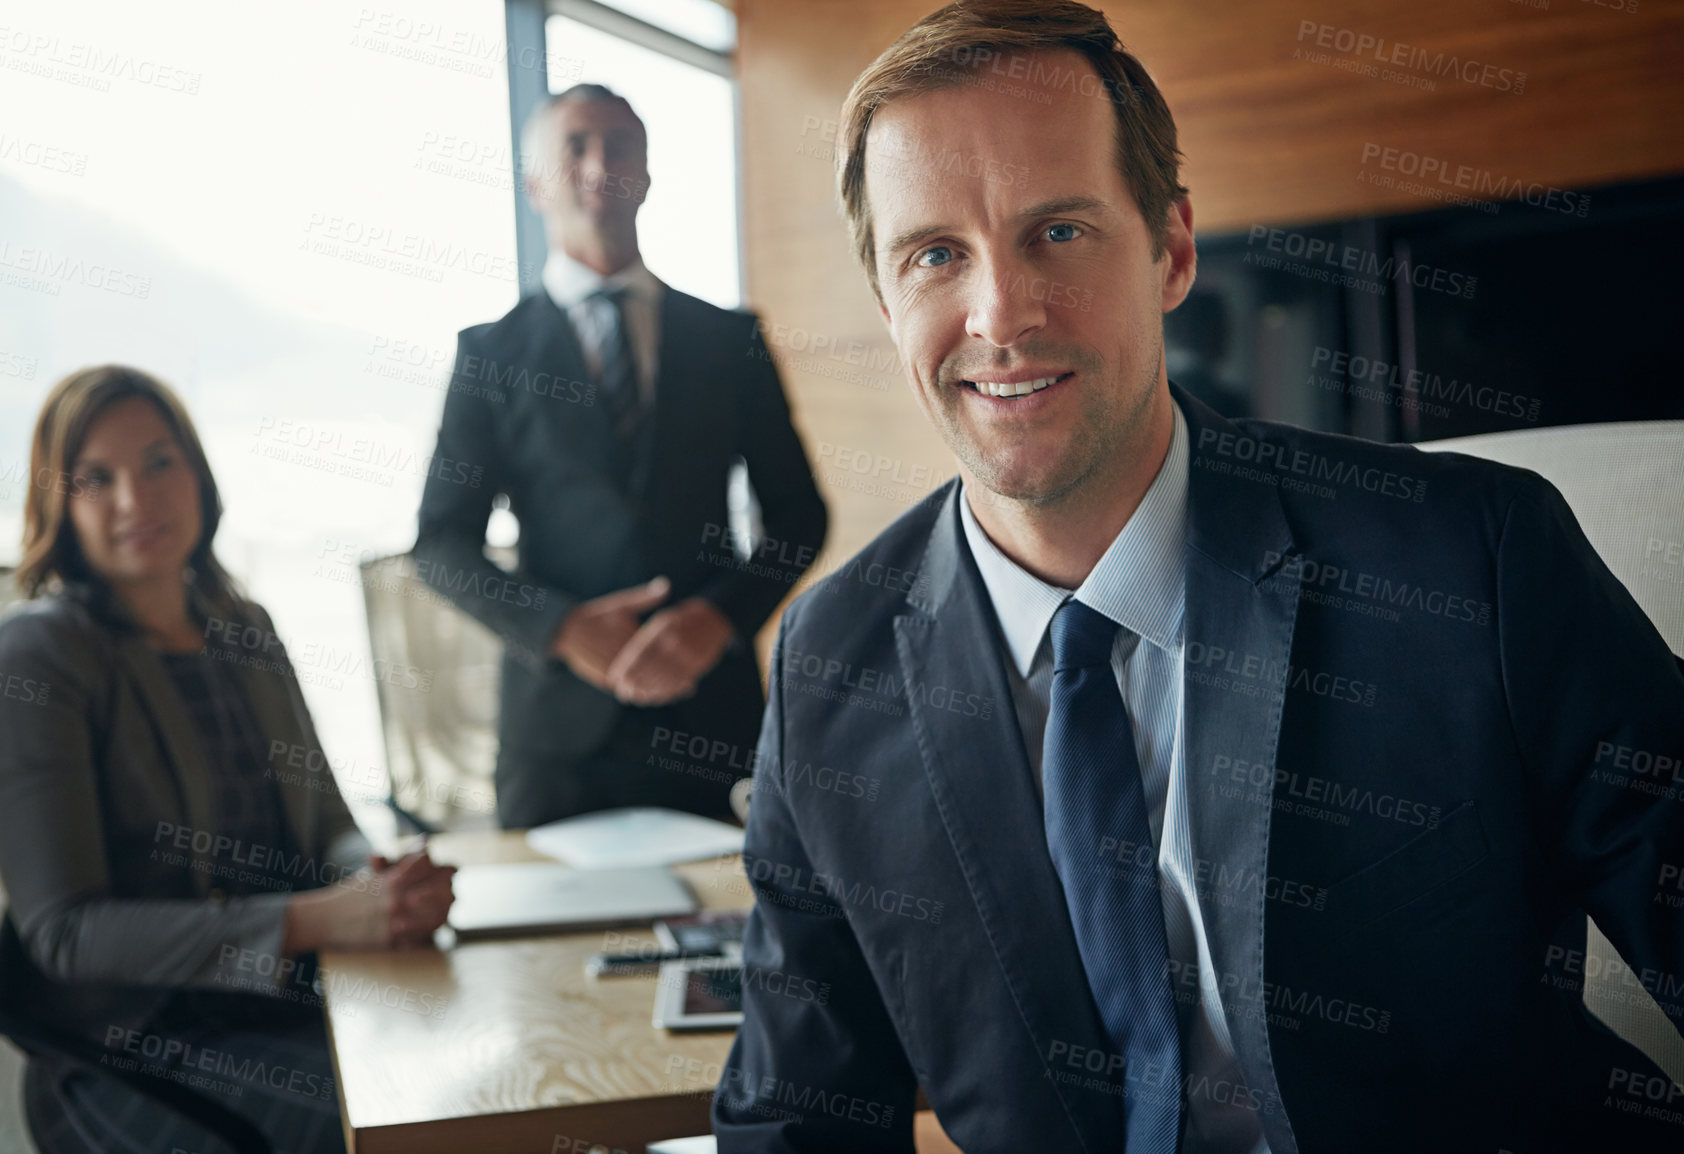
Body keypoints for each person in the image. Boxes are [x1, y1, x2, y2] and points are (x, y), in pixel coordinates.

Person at [715, 3, 1684, 1152]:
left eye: (1058, 231)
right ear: (887, 300)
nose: (1001, 315)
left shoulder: (1469, 556)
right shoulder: (836, 663)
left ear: (1171, 250)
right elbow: (794, 1115)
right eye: (935, 255)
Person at [0, 365, 457, 1154]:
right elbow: (65, 935)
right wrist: (315, 918)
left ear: (197, 471)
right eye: (97, 477)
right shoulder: (40, 659)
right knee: (406, 1133)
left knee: (476, 1087)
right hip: (126, 1053)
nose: (137, 498)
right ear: (59, 502)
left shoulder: (244, 626)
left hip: (286, 1007)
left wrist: (380, 876)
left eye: (160, 462)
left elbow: (326, 821)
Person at [414, 83, 828, 830]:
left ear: (646, 174)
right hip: (556, 738)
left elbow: (800, 514)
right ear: (536, 184)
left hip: (714, 720)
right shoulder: (489, 355)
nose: (600, 160)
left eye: (621, 143)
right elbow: (440, 544)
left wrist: (716, 618)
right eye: (575, 143)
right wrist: (562, 629)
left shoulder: (728, 339)